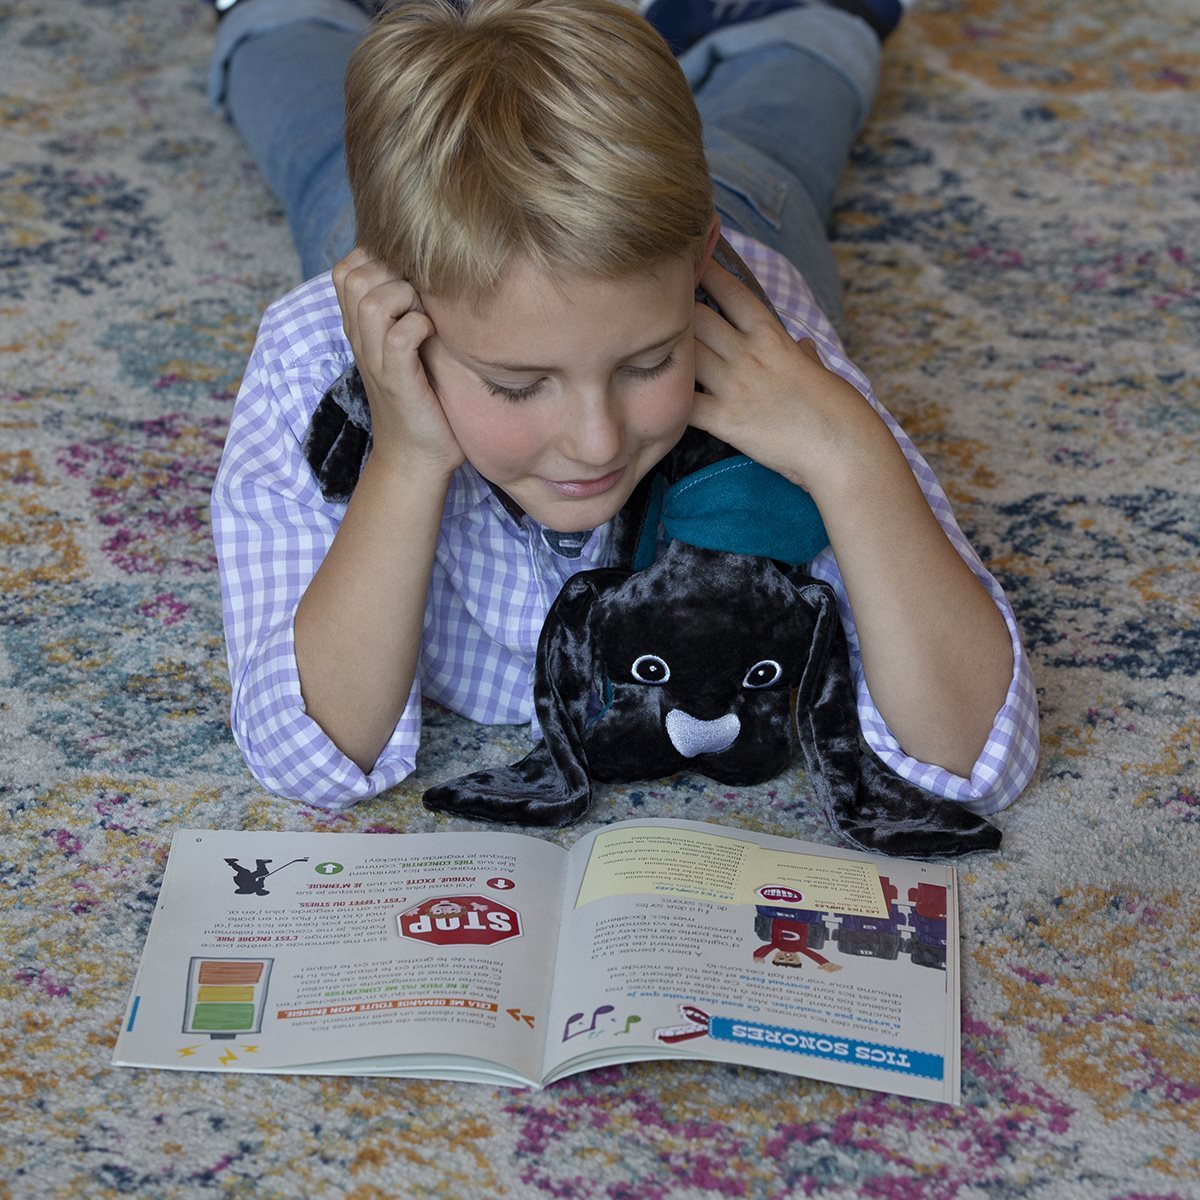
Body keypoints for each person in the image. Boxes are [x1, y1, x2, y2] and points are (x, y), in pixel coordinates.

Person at [208, 0, 1039, 816]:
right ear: (406, 315)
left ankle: (796, 15)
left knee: (782, 120)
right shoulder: (320, 352)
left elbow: (972, 758)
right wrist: (404, 459)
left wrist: (848, 458)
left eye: (648, 364)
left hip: (737, 209)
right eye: (517, 384)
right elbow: (307, 754)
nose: (596, 441)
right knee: (318, 145)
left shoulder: (764, 344)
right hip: (444, 249)